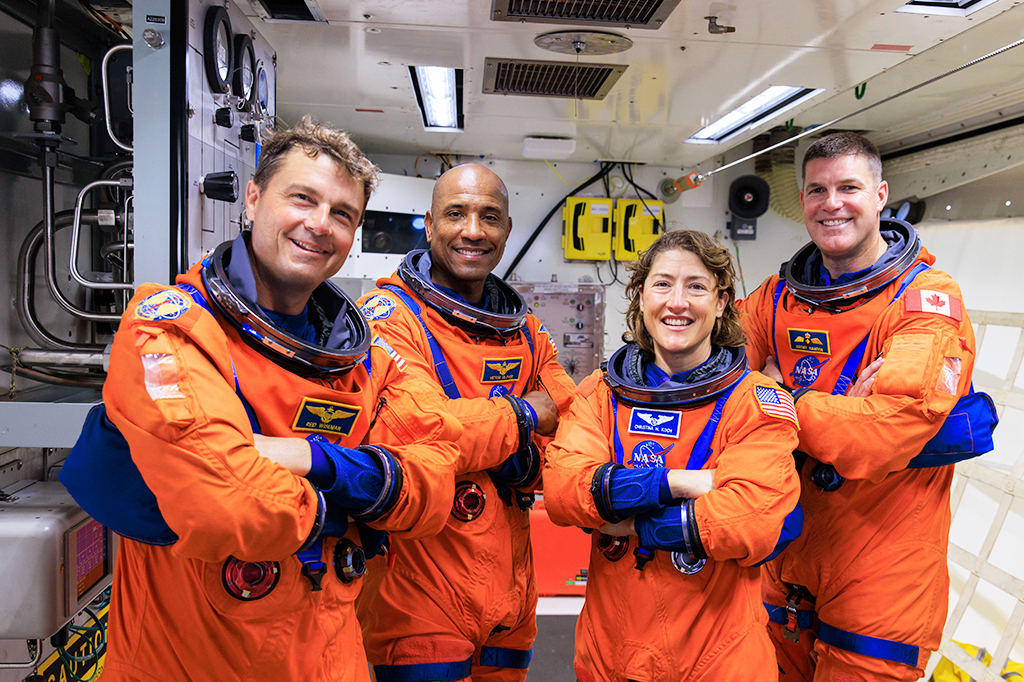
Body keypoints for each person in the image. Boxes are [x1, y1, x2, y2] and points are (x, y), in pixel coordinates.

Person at [73, 118, 461, 681]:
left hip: (332, 660)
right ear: (253, 199)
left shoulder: (364, 356)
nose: (319, 225)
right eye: (302, 198)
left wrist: (311, 459)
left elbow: (434, 482)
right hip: (192, 662)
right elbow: (227, 501)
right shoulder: (170, 329)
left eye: (342, 214)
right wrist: (351, 506)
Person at [737, 132, 978, 681]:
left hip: (882, 569)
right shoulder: (776, 298)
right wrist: (839, 408)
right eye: (817, 190)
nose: (832, 203)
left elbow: (884, 431)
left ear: (880, 195)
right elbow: (713, 387)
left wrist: (775, 396)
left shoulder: (924, 300)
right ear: (803, 203)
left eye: (849, 187)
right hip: (786, 559)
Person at [543, 229, 802, 682]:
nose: (677, 302)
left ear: (722, 303)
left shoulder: (756, 400)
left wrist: (623, 517)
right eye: (662, 284)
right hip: (608, 657)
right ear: (641, 296)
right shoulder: (600, 394)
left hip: (717, 662)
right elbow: (565, 492)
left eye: (696, 286)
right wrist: (677, 483)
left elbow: (751, 520)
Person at [353, 163, 577, 681]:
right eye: (456, 214)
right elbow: (415, 430)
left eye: (489, 217)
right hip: (419, 593)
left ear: (507, 230)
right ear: (430, 225)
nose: (473, 231)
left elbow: (573, 429)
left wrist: (513, 450)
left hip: (512, 597)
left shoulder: (526, 332)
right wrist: (523, 415)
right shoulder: (388, 317)